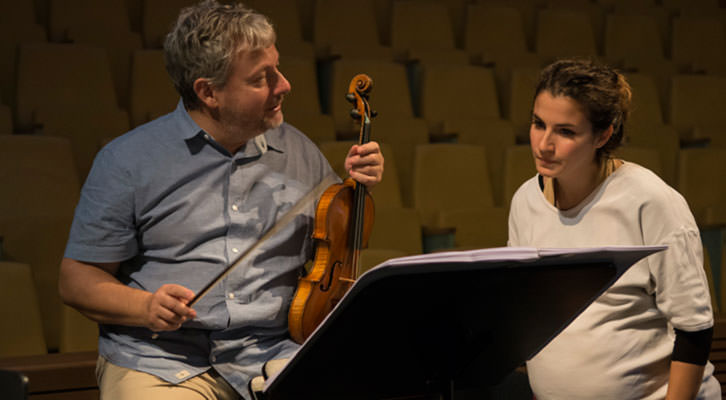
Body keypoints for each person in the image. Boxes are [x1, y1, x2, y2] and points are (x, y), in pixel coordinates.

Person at [58, 1, 383, 399]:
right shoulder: (127, 162)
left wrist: (360, 186)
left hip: (272, 353)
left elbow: (341, 248)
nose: (284, 85)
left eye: (277, 69)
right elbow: (76, 281)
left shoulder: (300, 152)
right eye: (262, 78)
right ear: (209, 92)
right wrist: (144, 307)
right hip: (163, 362)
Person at [508, 58, 720, 399]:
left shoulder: (650, 201)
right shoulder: (525, 201)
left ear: (602, 135)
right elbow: (534, 318)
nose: (544, 144)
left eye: (565, 131)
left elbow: (694, 329)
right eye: (538, 124)